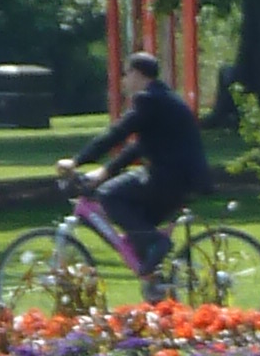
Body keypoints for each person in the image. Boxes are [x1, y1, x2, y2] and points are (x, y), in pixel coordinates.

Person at [70, 49, 210, 293]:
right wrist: (105, 170)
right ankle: (157, 288)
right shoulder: (163, 98)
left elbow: (118, 133)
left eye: (126, 74)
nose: (123, 81)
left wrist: (77, 161)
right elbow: (139, 146)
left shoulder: (148, 99)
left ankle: (156, 244)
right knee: (135, 222)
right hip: (183, 178)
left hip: (170, 177)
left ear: (137, 73)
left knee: (109, 195)